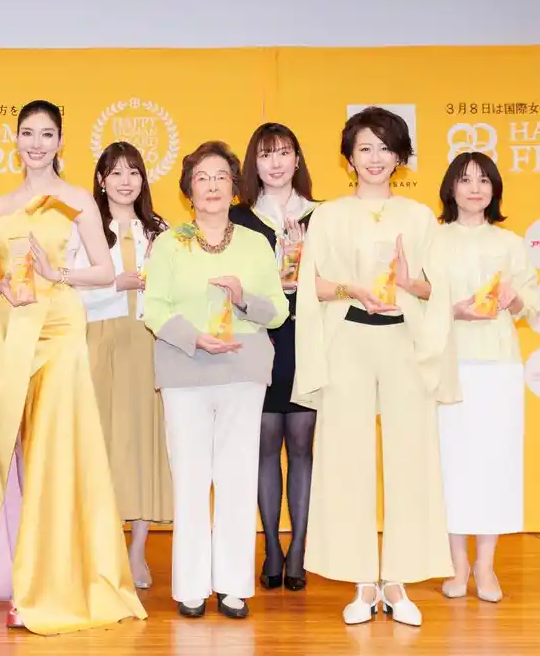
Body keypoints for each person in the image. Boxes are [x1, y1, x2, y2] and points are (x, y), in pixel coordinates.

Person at [0, 100, 147, 635]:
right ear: (15, 140)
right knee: (14, 450)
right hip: (11, 329)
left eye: (46, 134)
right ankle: (18, 570)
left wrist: (55, 272)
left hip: (59, 329)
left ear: (60, 142)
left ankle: (47, 584)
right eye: (27, 133)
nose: (36, 143)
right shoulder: (1, 205)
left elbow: (104, 270)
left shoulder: (77, 199)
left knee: (52, 450)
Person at [294, 106, 457, 627]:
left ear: (400, 157)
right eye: (365, 148)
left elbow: (438, 289)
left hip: (405, 343)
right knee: (345, 459)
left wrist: (410, 284)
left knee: (412, 458)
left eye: (385, 148)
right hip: (348, 340)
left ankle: (399, 581)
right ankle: (362, 580)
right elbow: (313, 285)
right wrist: (353, 289)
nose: (375, 158)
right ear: (349, 158)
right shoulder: (329, 215)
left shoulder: (419, 216)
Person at [144, 141, 288, 619]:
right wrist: (195, 338)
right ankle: (190, 586)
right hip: (185, 369)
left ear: (234, 187)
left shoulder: (255, 243)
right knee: (190, 478)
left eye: (221, 177)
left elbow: (278, 310)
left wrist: (244, 298)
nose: (211, 186)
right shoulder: (170, 244)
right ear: (188, 190)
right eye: (202, 178)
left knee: (236, 477)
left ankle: (232, 585)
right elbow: (153, 309)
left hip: (242, 371)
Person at [435, 151, 538, 603]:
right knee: (452, 465)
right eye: (465, 179)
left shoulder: (511, 242)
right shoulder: (433, 240)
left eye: (483, 180)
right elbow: (418, 301)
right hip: (449, 362)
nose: (475, 188)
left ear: (494, 189)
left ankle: (486, 566)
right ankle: (457, 566)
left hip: (498, 366)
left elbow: (532, 303)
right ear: (451, 188)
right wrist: (452, 310)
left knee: (495, 463)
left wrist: (515, 298)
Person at [76, 141, 173, 589]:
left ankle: (137, 551)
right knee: (103, 445)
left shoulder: (161, 231)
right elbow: (68, 292)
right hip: (99, 340)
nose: (125, 181)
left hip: (148, 343)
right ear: (101, 180)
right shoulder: (84, 230)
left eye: (133, 172)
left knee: (144, 446)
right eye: (115, 173)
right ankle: (103, 549)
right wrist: (114, 285)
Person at [229, 122, 318, 591]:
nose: (276, 163)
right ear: (254, 164)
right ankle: (272, 547)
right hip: (260, 339)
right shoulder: (239, 219)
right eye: (266, 155)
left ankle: (299, 548)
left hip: (307, 340)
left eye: (284, 152)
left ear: (297, 159)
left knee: (302, 444)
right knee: (265, 443)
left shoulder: (321, 215)